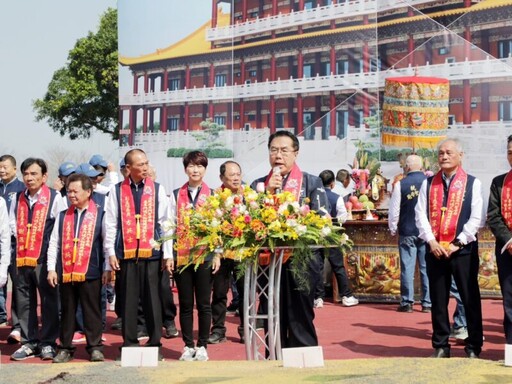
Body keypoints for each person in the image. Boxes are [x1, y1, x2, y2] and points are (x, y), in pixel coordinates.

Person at [250, 130, 329, 348]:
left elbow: (322, 219)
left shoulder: (312, 183)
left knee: (300, 314)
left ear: (296, 153)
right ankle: (274, 358)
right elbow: (248, 219)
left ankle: (303, 356)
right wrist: (267, 193)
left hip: (302, 260)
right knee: (272, 313)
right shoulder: (258, 185)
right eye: (273, 150)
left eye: (284, 150)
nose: (278, 155)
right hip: (269, 262)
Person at [415, 138, 484, 358]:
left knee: (469, 296)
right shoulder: (428, 184)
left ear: (460, 156)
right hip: (435, 249)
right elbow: (420, 215)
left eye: (449, 153)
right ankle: (441, 345)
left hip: (462, 250)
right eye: (441, 153)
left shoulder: (473, 183)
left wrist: (458, 242)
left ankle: (473, 345)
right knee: (438, 298)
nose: (444, 156)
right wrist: (431, 241)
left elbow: (477, 218)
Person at [104, 149, 172, 359]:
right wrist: (110, 253)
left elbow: (166, 223)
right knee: (128, 300)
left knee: (153, 300)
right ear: (128, 168)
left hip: (152, 253)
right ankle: (129, 344)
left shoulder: (157, 189)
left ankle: (154, 343)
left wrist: (167, 253)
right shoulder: (116, 191)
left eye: (146, 163)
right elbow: (110, 224)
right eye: (140, 164)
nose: (144, 167)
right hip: (126, 254)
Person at [9, 158, 66, 361]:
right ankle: (29, 342)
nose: (29, 178)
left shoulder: (54, 197)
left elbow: (59, 228)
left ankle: (48, 342)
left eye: (34, 174)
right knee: (24, 301)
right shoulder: (18, 197)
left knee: (49, 301)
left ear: (44, 177)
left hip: (43, 258)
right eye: (26, 174)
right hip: (22, 258)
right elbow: (12, 225)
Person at [47, 173, 108, 363]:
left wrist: (107, 268)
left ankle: (95, 347)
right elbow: (54, 243)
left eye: (75, 191)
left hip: (91, 270)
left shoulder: (100, 214)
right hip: (66, 270)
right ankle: (65, 348)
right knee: (67, 311)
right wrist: (51, 268)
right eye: (69, 191)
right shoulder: (63, 215)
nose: (71, 195)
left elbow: (106, 243)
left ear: (88, 192)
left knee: (92, 310)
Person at [171, 150, 220, 361]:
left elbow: (221, 227)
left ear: (205, 169)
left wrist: (217, 254)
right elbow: (169, 228)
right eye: (191, 166)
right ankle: (187, 345)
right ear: (185, 169)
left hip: (205, 256)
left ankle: (202, 345)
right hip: (182, 257)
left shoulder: (214, 195)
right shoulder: (175, 195)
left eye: (199, 166)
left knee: (203, 303)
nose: (195, 170)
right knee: (185, 303)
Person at [388, 155, 431, 313]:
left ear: (406, 167)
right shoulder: (429, 183)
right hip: (426, 232)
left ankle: (407, 302)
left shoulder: (401, 184)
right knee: (426, 268)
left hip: (407, 230)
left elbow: (394, 210)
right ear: (422, 167)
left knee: (407, 267)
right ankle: (427, 303)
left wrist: (393, 228)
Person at [209, 161, 245, 344]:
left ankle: (246, 329)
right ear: (222, 178)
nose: (236, 178)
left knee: (245, 293)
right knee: (219, 293)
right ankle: (218, 330)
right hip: (221, 254)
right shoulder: (215, 197)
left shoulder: (249, 196)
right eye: (232, 175)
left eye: (238, 174)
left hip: (243, 252)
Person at [317, 169, 358, 308]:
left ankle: (318, 297)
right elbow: (342, 217)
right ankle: (346, 295)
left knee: (318, 266)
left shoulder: (315, 197)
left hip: (316, 234)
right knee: (338, 266)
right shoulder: (337, 197)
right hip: (333, 234)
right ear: (333, 184)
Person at [487, 134, 512, 347]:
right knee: (510, 300)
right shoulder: (499, 183)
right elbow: (493, 216)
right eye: (510, 153)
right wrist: (509, 240)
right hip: (508, 250)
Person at [0, 154, 25, 344]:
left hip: (16, 245)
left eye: (6, 167)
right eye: (0, 167)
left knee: (17, 286)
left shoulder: (22, 189)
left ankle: (17, 327)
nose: (2, 170)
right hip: (0, 243)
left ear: (14, 169)